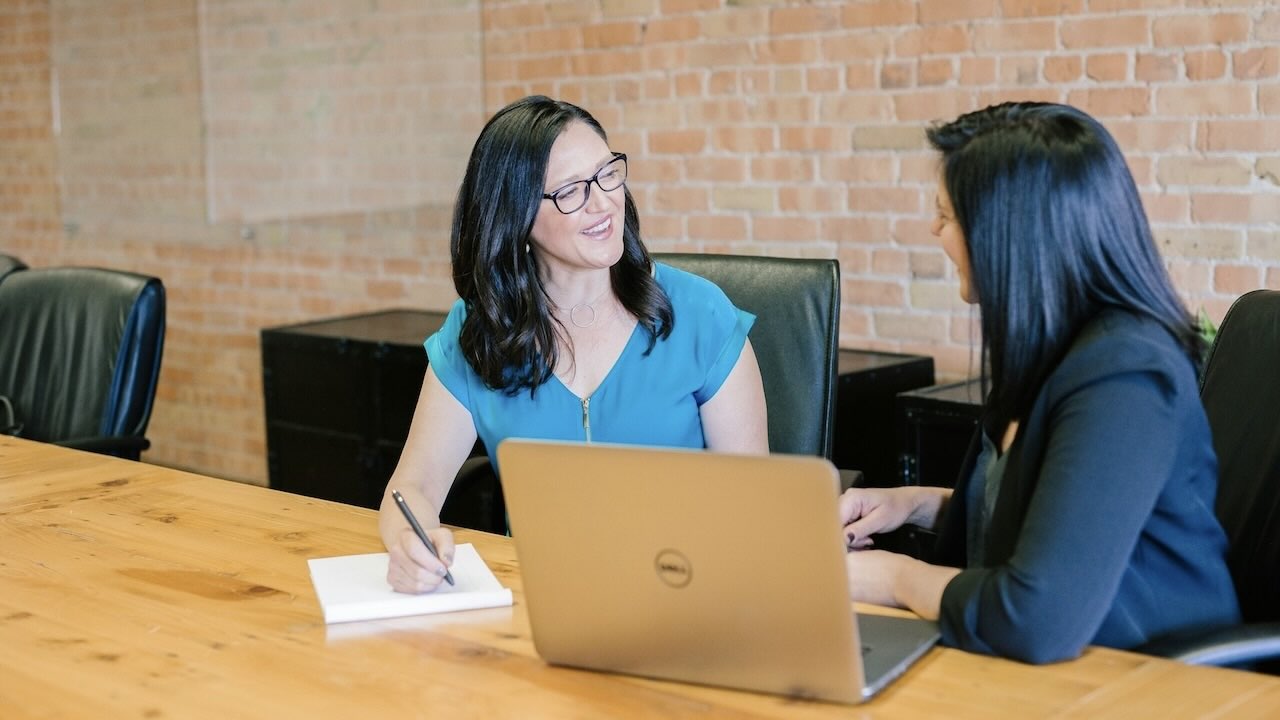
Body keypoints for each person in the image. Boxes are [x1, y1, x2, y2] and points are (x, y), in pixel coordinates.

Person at [839, 102, 1240, 663]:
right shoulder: (1051, 349)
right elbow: (1047, 514)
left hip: (1148, 675)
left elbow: (1035, 617)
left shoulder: (1125, 376)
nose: (933, 229)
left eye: (946, 215)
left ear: (1009, 235)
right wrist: (914, 504)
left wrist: (894, 578)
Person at [379, 96, 768, 593]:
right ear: (516, 217)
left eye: (608, 174)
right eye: (570, 192)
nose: (604, 202)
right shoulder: (478, 334)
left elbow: (753, 504)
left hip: (684, 591)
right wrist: (409, 546)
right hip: (536, 598)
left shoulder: (700, 315)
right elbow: (411, 488)